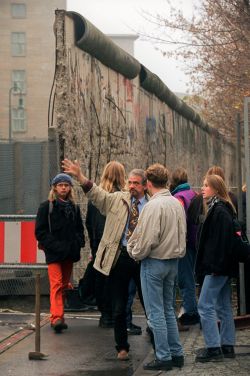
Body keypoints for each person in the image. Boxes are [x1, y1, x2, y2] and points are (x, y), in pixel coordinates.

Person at [62, 159, 148, 361]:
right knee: (118, 306)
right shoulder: (118, 199)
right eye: (130, 182)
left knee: (149, 303)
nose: (132, 186)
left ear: (145, 185)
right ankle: (122, 347)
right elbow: (96, 194)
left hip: (143, 259)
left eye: (136, 183)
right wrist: (80, 177)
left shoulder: (152, 205)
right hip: (119, 258)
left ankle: (157, 338)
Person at [127, 163, 186, 372]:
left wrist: (134, 253)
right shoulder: (175, 203)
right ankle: (176, 352)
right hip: (173, 261)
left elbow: (147, 239)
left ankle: (164, 356)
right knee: (168, 309)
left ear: (148, 183)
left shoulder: (153, 205)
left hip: (155, 261)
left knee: (156, 313)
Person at [195, 174, 237, 363]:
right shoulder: (222, 209)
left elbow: (219, 243)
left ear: (216, 189)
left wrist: (213, 267)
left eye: (206, 186)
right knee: (223, 306)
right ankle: (227, 345)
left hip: (217, 267)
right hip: (222, 267)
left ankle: (213, 348)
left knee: (205, 306)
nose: (202, 189)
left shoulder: (219, 211)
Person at [35, 173, 85, 333]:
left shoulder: (74, 208)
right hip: (54, 253)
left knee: (63, 285)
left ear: (70, 187)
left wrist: (78, 243)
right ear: (55, 187)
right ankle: (56, 317)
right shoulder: (46, 207)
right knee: (56, 284)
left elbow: (79, 229)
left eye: (66, 185)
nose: (63, 187)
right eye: (60, 185)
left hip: (69, 252)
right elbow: (40, 231)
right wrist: (54, 246)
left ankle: (59, 316)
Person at [85, 161, 126, 328]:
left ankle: (105, 315)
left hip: (99, 245)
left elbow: (89, 223)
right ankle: (117, 316)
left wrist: (94, 245)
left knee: (102, 280)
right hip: (117, 246)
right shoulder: (122, 197)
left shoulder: (97, 197)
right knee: (117, 285)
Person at [170, 167, 199, 326]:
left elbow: (179, 222)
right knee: (190, 278)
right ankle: (191, 309)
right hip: (195, 241)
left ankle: (190, 311)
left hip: (184, 243)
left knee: (184, 279)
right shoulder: (193, 194)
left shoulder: (178, 198)